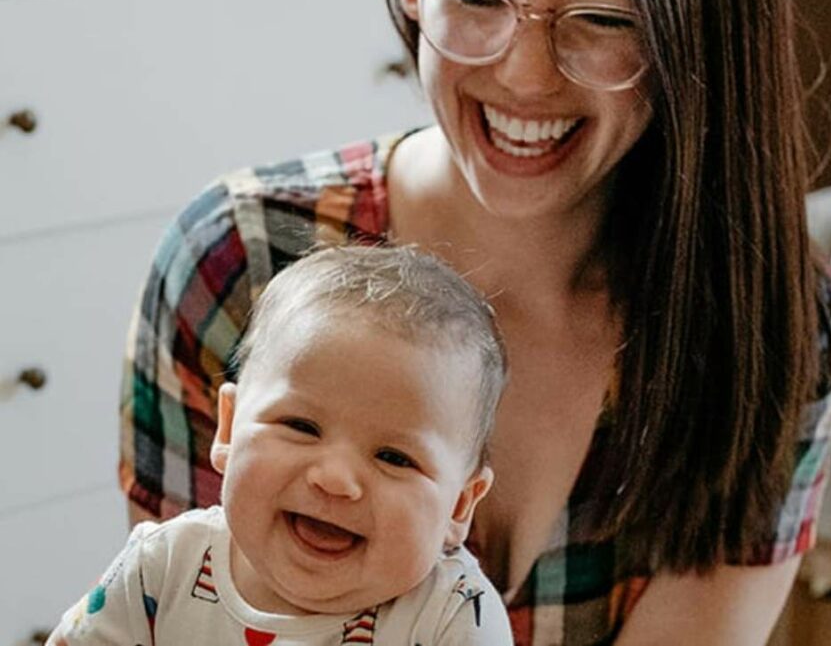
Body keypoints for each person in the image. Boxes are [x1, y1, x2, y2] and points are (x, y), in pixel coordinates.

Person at [120, 0, 831, 643]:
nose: (526, 76)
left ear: (697, 26)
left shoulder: (768, 324)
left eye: (606, 18)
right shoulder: (239, 263)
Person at [56, 246, 512, 644]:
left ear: (459, 505)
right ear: (230, 429)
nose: (335, 479)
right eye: (301, 426)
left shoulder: (452, 619)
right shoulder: (162, 566)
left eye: (393, 457)